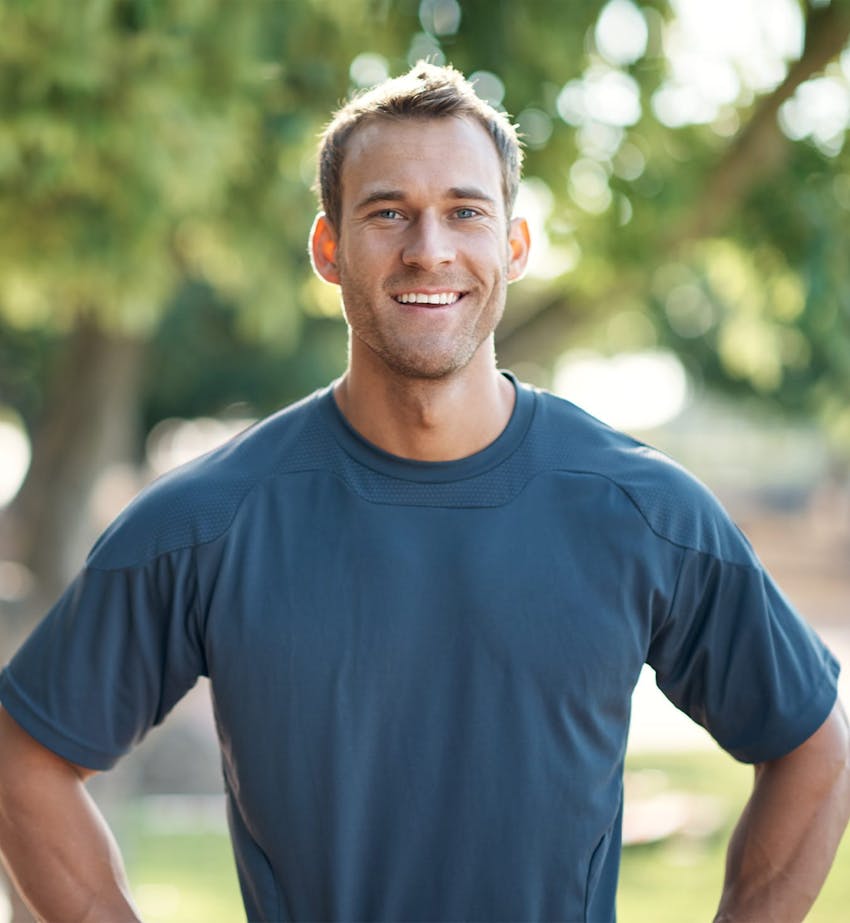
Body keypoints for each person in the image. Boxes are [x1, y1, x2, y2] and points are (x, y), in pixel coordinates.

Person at [0, 62, 847, 923]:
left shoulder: (642, 512)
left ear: (513, 245)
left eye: (465, 212)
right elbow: (22, 757)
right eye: (387, 212)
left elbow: (814, 750)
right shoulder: (213, 520)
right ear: (329, 249)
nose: (429, 248)